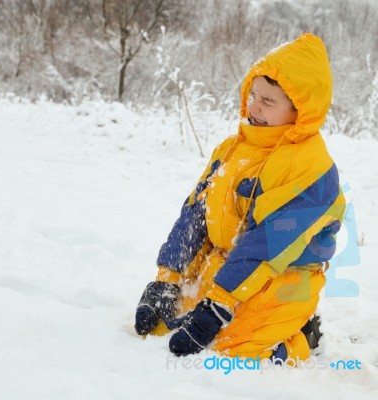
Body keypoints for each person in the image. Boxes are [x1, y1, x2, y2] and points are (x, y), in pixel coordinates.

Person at [134, 33, 345, 363]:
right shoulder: (233, 148)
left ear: (300, 111)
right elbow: (195, 216)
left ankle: (301, 338)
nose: (253, 106)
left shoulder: (311, 170)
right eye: (252, 95)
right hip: (230, 267)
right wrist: (168, 279)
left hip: (281, 279)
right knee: (166, 326)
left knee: (228, 350)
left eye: (268, 101)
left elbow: (266, 245)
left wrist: (217, 306)